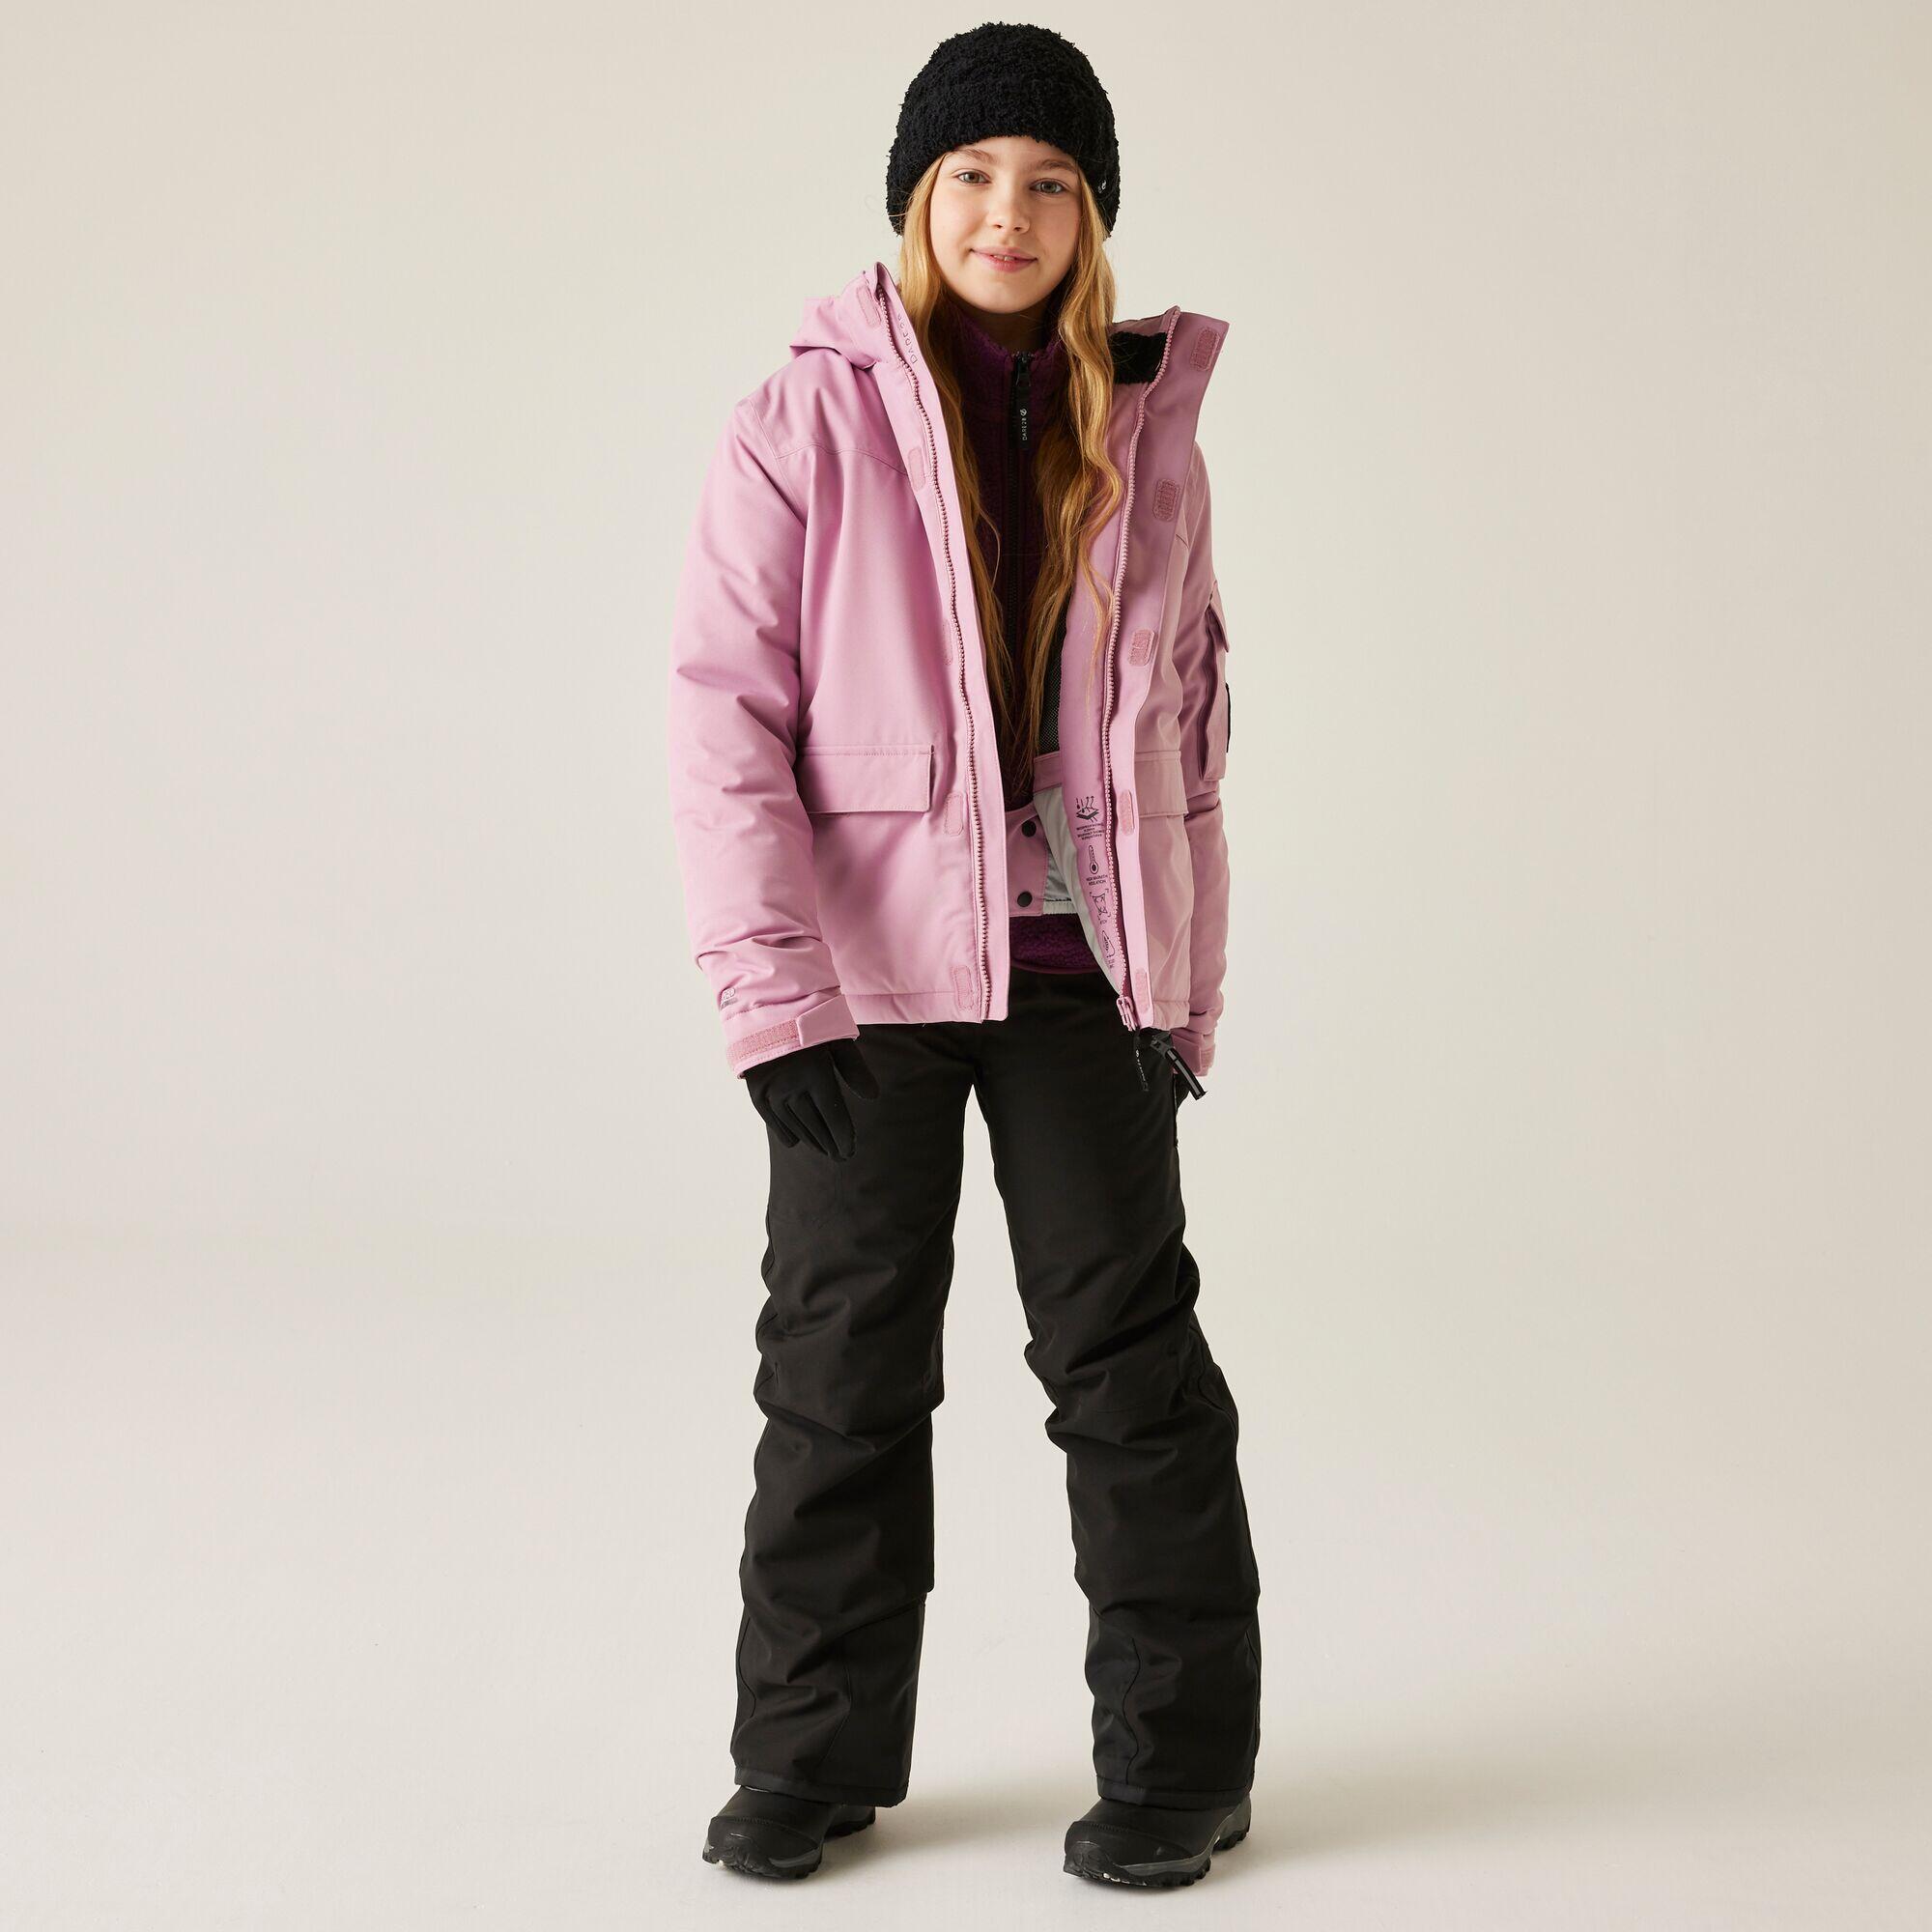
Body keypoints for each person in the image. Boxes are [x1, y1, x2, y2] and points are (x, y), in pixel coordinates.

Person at [667, 22, 1260, 1889]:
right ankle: (808, 1762)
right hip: (866, 989)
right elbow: (723, 719)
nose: (1011, 213)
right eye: (976, 176)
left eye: (1052, 183)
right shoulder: (803, 419)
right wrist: (772, 995)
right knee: (840, 1367)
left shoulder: (1142, 430)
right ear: (918, 200)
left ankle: (1183, 1769)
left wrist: (1182, 995)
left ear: (1092, 217)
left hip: (1082, 971)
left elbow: (1188, 729)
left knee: (1129, 1368)